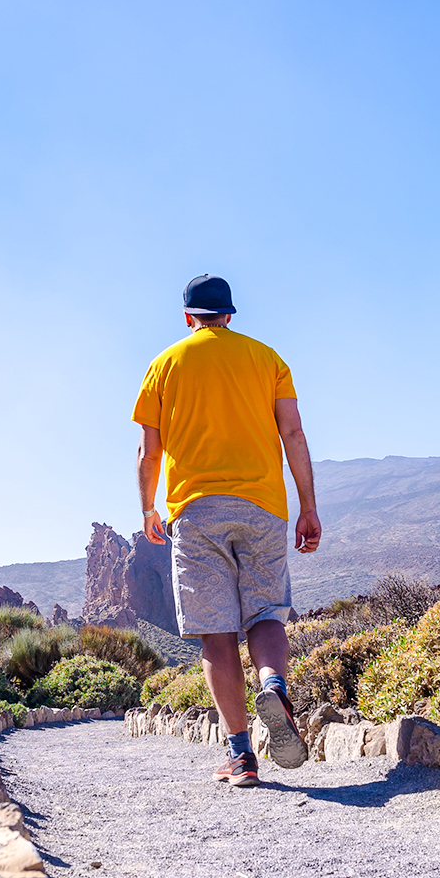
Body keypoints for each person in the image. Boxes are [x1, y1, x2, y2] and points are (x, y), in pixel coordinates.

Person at [132, 274, 322, 786]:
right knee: (265, 614)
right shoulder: (268, 359)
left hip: (195, 512)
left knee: (216, 636)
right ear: (231, 315)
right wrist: (308, 506)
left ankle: (241, 757)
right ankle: (274, 682)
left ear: (188, 316)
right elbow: (294, 433)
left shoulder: (164, 366)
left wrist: (148, 507)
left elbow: (151, 452)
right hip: (264, 506)